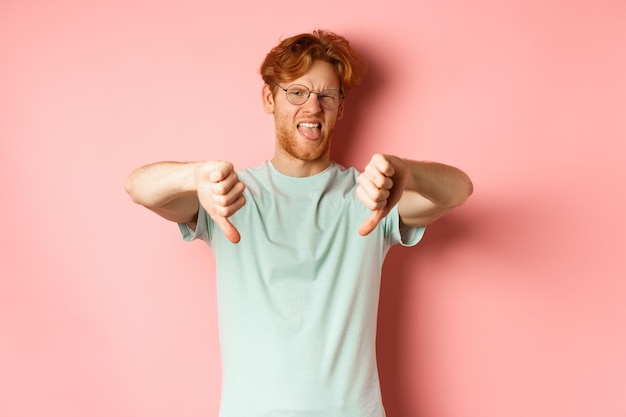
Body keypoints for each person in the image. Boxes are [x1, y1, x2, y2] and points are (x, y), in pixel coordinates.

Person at [125, 29, 473, 417]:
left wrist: (409, 172)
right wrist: (194, 176)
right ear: (268, 98)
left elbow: (459, 190)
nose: (312, 107)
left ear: (340, 108)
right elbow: (138, 187)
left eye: (327, 95)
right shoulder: (228, 195)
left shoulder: (370, 196)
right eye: (297, 92)